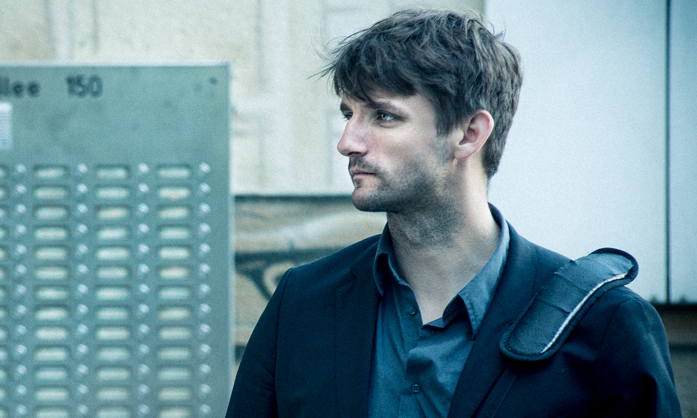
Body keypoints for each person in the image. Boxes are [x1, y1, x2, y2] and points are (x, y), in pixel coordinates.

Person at [225, 8, 682, 418]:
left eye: (383, 116)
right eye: (349, 114)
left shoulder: (604, 325)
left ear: (469, 133)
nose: (348, 142)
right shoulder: (302, 303)